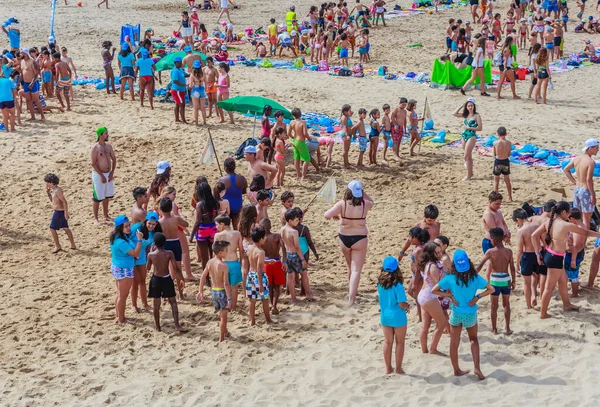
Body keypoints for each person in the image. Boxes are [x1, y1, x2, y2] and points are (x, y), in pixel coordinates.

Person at [432, 250, 494, 380]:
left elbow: (434, 290)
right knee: (474, 340)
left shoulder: (450, 278)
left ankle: (457, 370)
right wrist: (477, 297)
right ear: (468, 263)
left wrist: (449, 295)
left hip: (456, 313)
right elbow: (491, 289)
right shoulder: (475, 277)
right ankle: (477, 367)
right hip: (470, 313)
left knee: (454, 342)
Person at [532, 201, 600, 319]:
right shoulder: (565, 225)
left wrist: (538, 253)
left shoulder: (548, 221)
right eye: (568, 212)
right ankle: (543, 313)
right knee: (549, 287)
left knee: (563, 281)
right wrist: (599, 234)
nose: (569, 215)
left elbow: (534, 235)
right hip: (556, 259)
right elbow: (586, 232)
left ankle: (566, 304)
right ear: (564, 212)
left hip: (549, 254)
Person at [324, 181, 374, 306]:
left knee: (350, 267)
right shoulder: (365, 204)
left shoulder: (342, 204)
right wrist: (364, 192)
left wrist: (336, 214)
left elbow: (326, 215)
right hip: (360, 237)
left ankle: (353, 292)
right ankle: (352, 298)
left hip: (344, 237)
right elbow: (372, 202)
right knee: (356, 269)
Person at [475, 228, 515, 335]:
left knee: (494, 306)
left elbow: (480, 266)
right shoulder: (509, 251)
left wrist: (472, 275)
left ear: (493, 240)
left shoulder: (490, 252)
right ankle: (507, 328)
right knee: (506, 305)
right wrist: (514, 280)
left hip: (495, 280)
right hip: (506, 279)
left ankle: (494, 329)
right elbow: (512, 268)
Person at [147, 232, 186, 332]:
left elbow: (148, 268)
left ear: (154, 243)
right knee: (173, 302)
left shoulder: (151, 255)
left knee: (156, 304)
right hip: (166, 278)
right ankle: (177, 325)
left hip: (156, 278)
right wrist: (181, 278)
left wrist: (151, 252)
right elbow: (176, 268)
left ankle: (157, 326)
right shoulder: (169, 253)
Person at [377, 256, 410, 375]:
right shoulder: (398, 286)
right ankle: (398, 368)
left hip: (385, 316)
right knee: (400, 342)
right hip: (398, 317)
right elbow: (401, 304)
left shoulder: (380, 283)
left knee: (387, 342)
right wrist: (408, 306)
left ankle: (388, 368)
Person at [110, 215, 143, 325]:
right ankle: (121, 319)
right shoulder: (121, 242)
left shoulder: (116, 237)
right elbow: (136, 254)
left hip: (118, 266)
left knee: (119, 294)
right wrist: (139, 240)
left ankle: (119, 315)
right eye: (126, 226)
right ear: (120, 228)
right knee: (123, 296)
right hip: (124, 269)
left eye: (129, 225)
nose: (129, 228)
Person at [417, 242, 448, 355]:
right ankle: (433, 349)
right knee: (442, 323)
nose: (440, 254)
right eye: (437, 252)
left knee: (425, 325)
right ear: (432, 253)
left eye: (440, 251)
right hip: (429, 296)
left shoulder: (427, 264)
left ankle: (424, 350)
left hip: (423, 295)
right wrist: (444, 271)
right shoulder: (433, 266)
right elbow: (438, 284)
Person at [198, 240, 232, 341]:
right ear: (220, 252)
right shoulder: (223, 265)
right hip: (222, 291)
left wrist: (201, 291)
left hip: (213, 291)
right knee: (223, 317)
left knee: (221, 314)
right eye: (226, 250)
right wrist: (229, 298)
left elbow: (203, 277)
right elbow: (226, 283)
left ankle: (225, 332)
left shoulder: (210, 262)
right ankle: (221, 338)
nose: (227, 252)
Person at [563, 138, 599, 230]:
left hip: (577, 189)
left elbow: (566, 170)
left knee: (577, 217)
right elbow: (588, 180)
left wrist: (574, 182)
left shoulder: (577, 159)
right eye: (596, 148)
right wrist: (593, 195)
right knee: (586, 218)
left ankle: (576, 238)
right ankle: (583, 241)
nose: (598, 149)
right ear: (590, 148)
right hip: (585, 190)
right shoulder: (591, 162)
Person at [282, 208, 314, 303]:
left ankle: (293, 298)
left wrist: (284, 260)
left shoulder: (282, 229)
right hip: (296, 255)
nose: (297, 222)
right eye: (296, 220)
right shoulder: (294, 232)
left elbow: (283, 245)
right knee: (304, 275)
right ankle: (308, 294)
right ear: (290, 220)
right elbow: (297, 247)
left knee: (290, 277)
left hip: (288, 255)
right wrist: (303, 259)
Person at [159, 197, 190, 297]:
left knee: (164, 271)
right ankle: (181, 294)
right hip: (175, 243)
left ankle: (165, 294)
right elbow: (186, 224)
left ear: (161, 209)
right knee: (178, 270)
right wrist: (179, 217)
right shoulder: (176, 219)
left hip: (165, 244)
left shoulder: (160, 222)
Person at [513, 208, 542, 309]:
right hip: (538, 253)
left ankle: (528, 305)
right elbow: (543, 241)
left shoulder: (521, 231)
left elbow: (520, 250)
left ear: (518, 219)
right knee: (536, 276)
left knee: (526, 282)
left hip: (527, 255)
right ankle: (534, 295)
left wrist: (516, 264)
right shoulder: (537, 226)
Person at [214, 214, 245, 311]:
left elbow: (215, 252)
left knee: (223, 286)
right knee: (234, 288)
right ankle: (234, 307)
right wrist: (241, 262)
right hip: (234, 262)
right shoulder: (237, 234)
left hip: (223, 263)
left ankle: (225, 306)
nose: (216, 227)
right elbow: (241, 250)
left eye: (217, 224)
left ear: (222, 224)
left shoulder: (218, 235)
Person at [246, 226, 273, 325]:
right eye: (264, 237)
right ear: (261, 239)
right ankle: (268, 320)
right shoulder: (261, 252)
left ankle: (252, 320)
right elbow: (259, 268)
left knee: (252, 299)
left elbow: (253, 260)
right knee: (264, 299)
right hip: (259, 276)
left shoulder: (249, 247)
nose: (265, 238)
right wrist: (261, 284)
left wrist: (266, 261)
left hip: (250, 275)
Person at [260, 218, 287, 314]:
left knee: (269, 286)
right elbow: (284, 247)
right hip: (276, 261)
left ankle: (271, 305)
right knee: (277, 287)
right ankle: (275, 306)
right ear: (270, 226)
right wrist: (284, 261)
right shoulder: (276, 236)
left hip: (266, 263)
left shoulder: (262, 239)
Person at [189, 181, 219, 270]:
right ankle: (214, 274)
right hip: (213, 228)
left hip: (203, 230)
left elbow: (198, 221)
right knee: (212, 254)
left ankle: (207, 279)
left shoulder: (200, 204)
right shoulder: (215, 202)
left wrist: (191, 235)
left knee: (204, 257)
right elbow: (216, 215)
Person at [44, 173, 76, 253]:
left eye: (47, 182)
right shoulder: (54, 190)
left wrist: (66, 213)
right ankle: (72, 245)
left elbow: (64, 202)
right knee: (65, 228)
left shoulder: (58, 191)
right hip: (58, 211)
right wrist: (48, 193)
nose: (46, 184)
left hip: (59, 212)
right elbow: (53, 201)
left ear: (51, 182)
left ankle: (57, 246)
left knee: (52, 228)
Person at [91, 127, 116, 224]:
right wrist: (101, 175)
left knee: (107, 196)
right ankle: (96, 218)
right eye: (105, 133)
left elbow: (114, 159)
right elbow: (93, 163)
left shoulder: (109, 146)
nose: (107, 135)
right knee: (97, 197)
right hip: (98, 174)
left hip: (108, 173)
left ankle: (106, 215)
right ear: (100, 135)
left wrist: (112, 172)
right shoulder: (95, 147)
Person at [453, 98, 482, 181]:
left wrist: (469, 127)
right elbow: (454, 113)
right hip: (464, 135)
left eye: (471, 105)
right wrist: (461, 106)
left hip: (471, 135)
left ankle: (468, 176)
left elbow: (480, 128)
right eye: (468, 106)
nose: (470, 107)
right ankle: (470, 172)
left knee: (466, 155)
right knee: (468, 156)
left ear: (474, 106)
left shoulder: (477, 116)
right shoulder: (465, 115)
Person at [218, 157, 247, 230]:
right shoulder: (242, 178)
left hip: (225, 207)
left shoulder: (222, 180)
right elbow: (244, 192)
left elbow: (217, 195)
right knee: (236, 227)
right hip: (237, 205)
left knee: (225, 228)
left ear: (225, 168)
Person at [565, 208, 585, 297]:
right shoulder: (583, 225)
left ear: (572, 219)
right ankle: (574, 290)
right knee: (573, 273)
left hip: (574, 255)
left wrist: (573, 259)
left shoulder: (576, 230)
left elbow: (575, 246)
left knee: (573, 274)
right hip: (579, 252)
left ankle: (574, 293)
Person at [20, 49, 45, 121]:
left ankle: (42, 116)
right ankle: (33, 116)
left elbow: (36, 73)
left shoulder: (32, 61)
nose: (20, 55)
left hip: (33, 83)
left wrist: (32, 83)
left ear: (25, 54)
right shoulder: (22, 62)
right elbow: (22, 72)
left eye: (21, 54)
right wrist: (19, 82)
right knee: (28, 101)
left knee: (36, 100)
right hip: (26, 83)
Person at [288, 108, 311, 179]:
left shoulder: (292, 122)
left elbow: (288, 133)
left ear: (293, 115)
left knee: (296, 158)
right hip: (300, 141)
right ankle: (303, 176)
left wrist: (293, 138)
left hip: (295, 141)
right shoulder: (303, 122)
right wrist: (309, 138)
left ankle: (298, 174)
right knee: (307, 159)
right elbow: (305, 133)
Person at [492, 127, 513, 200]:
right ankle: (510, 196)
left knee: (496, 180)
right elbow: (509, 154)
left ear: (497, 134)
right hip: (505, 161)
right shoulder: (509, 143)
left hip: (498, 161)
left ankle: (495, 197)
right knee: (507, 180)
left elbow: (494, 153)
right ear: (506, 134)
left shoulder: (495, 143)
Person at [189, 60, 207, 125]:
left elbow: (190, 85)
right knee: (203, 107)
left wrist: (190, 88)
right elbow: (206, 83)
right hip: (202, 89)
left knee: (196, 108)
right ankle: (204, 121)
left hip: (195, 89)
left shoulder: (192, 75)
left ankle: (196, 122)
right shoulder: (203, 73)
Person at [170, 57, 187, 123]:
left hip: (181, 90)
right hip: (177, 90)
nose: (180, 63)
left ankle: (177, 118)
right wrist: (183, 85)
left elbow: (186, 75)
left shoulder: (180, 69)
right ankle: (183, 120)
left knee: (177, 104)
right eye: (179, 62)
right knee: (182, 104)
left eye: (181, 62)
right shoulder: (175, 71)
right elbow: (175, 81)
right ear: (175, 63)